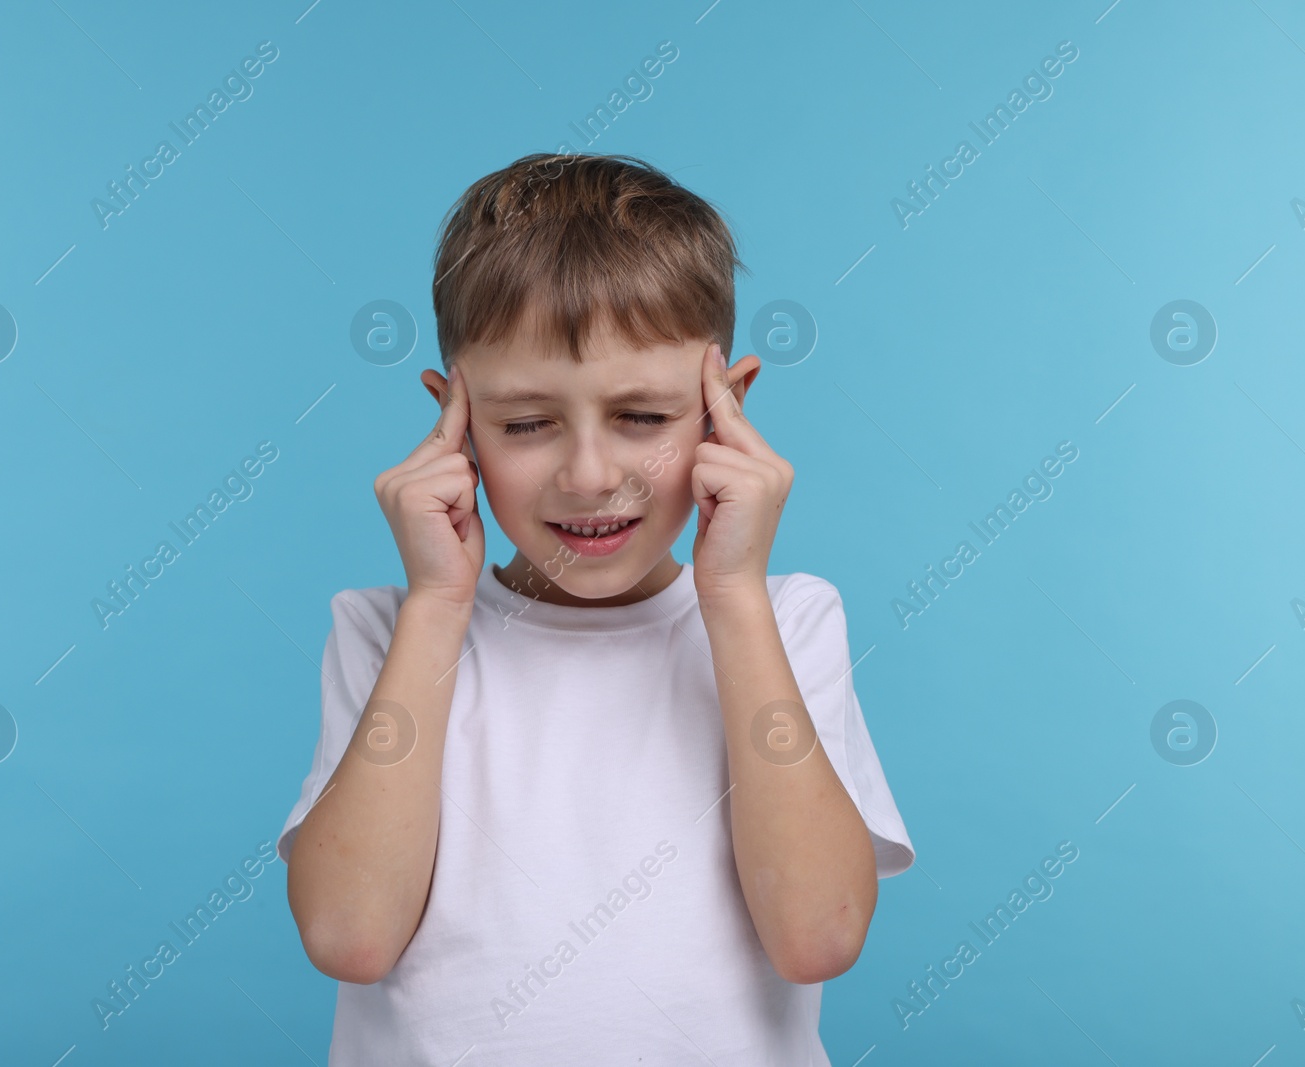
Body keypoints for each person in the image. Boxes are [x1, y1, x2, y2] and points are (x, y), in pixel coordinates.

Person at [278, 152, 914, 1063]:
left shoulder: (789, 620)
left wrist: (730, 594)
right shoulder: (389, 629)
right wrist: (437, 606)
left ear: (724, 409)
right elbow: (349, 935)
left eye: (645, 418)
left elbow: (819, 935)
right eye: (526, 424)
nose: (587, 475)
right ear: (452, 423)